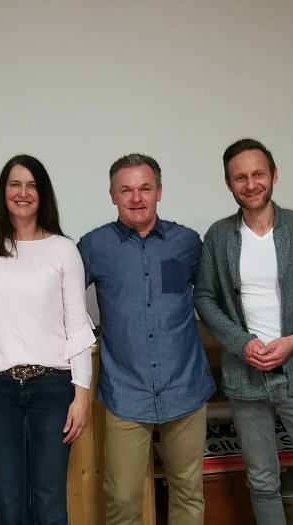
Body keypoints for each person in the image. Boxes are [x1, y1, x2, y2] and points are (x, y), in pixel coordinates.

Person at [194, 138, 293, 524]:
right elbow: (204, 298)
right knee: (262, 483)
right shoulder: (218, 236)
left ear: (274, 175)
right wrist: (241, 343)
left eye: (258, 174)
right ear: (229, 183)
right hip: (246, 377)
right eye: (240, 177)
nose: (251, 184)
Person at [0, 154, 95, 525]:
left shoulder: (63, 249)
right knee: (10, 504)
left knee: (50, 503)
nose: (23, 193)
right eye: (15, 184)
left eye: (31, 185)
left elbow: (77, 327)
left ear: (43, 193)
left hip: (53, 389)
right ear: (3, 192)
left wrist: (81, 395)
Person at [77, 153, 215, 525]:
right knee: (122, 499)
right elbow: (61, 302)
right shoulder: (93, 246)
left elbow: (212, 299)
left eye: (145, 188)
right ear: (112, 195)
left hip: (184, 385)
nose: (136, 198)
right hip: (126, 391)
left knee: (188, 491)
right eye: (126, 190)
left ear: (159, 192)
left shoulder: (187, 242)